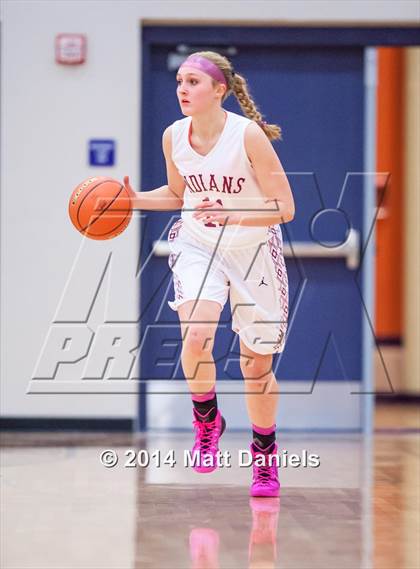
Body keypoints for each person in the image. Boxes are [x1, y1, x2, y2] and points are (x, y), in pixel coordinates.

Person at [124, 51, 295, 497]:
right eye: (180, 80)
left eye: (194, 81)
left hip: (253, 250)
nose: (183, 88)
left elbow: (285, 208)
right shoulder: (173, 136)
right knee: (197, 336)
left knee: (254, 366)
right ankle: (207, 422)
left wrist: (232, 212)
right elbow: (178, 195)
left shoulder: (248, 136)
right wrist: (132, 200)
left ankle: (264, 458)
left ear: (220, 90)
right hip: (199, 243)